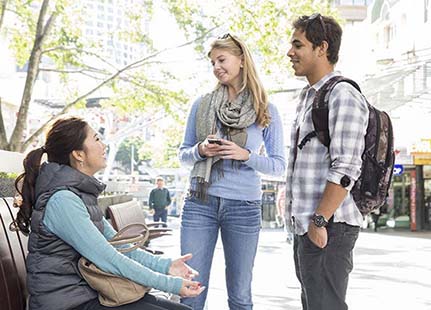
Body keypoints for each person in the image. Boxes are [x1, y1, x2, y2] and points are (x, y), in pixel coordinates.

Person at [13, 117, 204, 310]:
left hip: (85, 295)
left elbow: (120, 248)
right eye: (96, 139)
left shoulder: (78, 197)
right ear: (79, 154)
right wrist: (170, 283)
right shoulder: (63, 201)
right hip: (66, 304)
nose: (103, 145)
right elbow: (108, 259)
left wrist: (167, 265)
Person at [178, 33, 286, 310]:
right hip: (200, 203)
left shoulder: (266, 109)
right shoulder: (202, 105)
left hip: (244, 206)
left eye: (221, 59)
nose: (216, 67)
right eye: (212, 62)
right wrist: (201, 150)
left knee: (239, 292)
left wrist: (246, 156)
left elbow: (278, 166)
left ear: (241, 60)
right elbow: (183, 154)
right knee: (190, 289)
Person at [284, 13, 369, 310]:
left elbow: (346, 167)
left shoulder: (342, 94)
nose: (290, 52)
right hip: (309, 225)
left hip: (329, 226)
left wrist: (319, 220)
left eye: (298, 44)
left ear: (321, 48)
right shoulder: (308, 96)